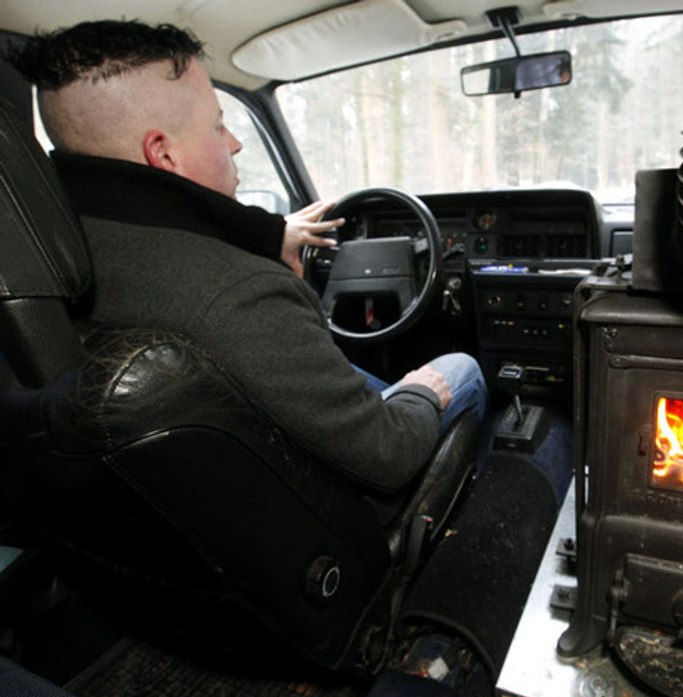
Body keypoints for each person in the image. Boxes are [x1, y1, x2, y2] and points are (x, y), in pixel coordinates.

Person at [8, 19, 486, 496]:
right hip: (337, 520)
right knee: (457, 368)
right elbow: (388, 452)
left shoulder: (52, 257)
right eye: (218, 124)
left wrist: (267, 236)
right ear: (164, 154)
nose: (234, 142)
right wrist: (420, 392)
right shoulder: (246, 296)